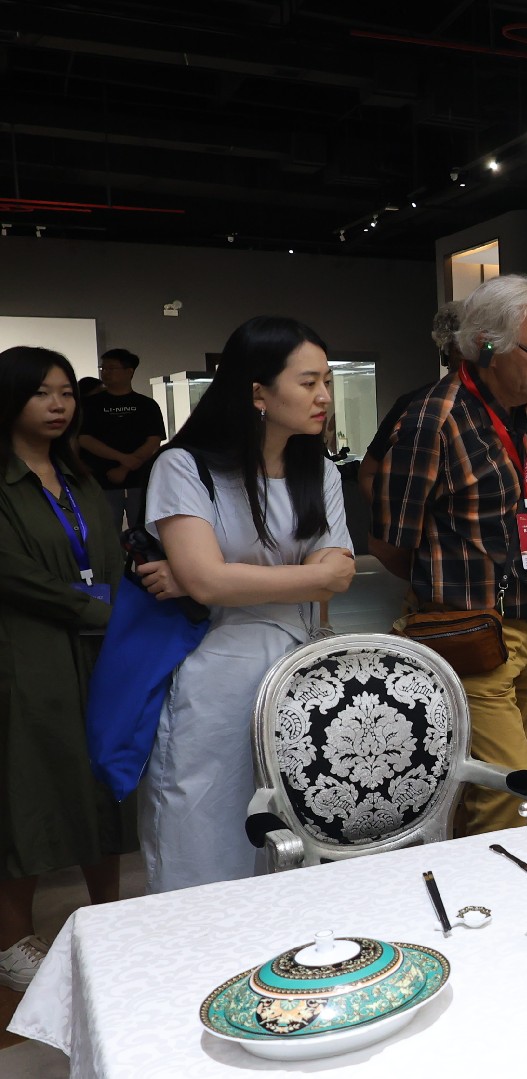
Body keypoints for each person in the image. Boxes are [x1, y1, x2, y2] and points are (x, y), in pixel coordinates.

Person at [133, 318, 356, 892]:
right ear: (258, 392)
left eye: (326, 381)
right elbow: (211, 584)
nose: (324, 397)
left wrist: (216, 576)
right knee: (204, 829)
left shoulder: (320, 471)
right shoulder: (184, 467)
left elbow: (336, 575)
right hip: (213, 671)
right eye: (308, 382)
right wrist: (211, 578)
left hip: (299, 672)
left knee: (294, 827)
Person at [369, 275, 527, 835]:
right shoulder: (432, 419)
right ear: (486, 346)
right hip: (475, 635)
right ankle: (487, 883)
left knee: (518, 787)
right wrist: (448, 598)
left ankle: (506, 880)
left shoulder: (521, 414)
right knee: (507, 794)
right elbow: (388, 543)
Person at [0, 347, 133, 989]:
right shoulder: (5, 484)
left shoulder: (77, 478)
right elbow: (13, 574)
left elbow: (107, 561)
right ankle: (12, 943)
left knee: (100, 780)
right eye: (41, 393)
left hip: (97, 649)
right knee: (32, 788)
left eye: (66, 393)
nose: (58, 405)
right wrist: (99, 611)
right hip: (29, 652)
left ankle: (108, 918)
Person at [77, 347, 166, 532]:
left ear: (129, 372)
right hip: (100, 481)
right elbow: (84, 438)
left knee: (143, 533)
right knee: (105, 533)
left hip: (139, 481)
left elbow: (153, 441)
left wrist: (124, 467)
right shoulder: (90, 405)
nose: (105, 372)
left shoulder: (146, 405)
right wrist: (123, 458)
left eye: (111, 368)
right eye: (103, 368)